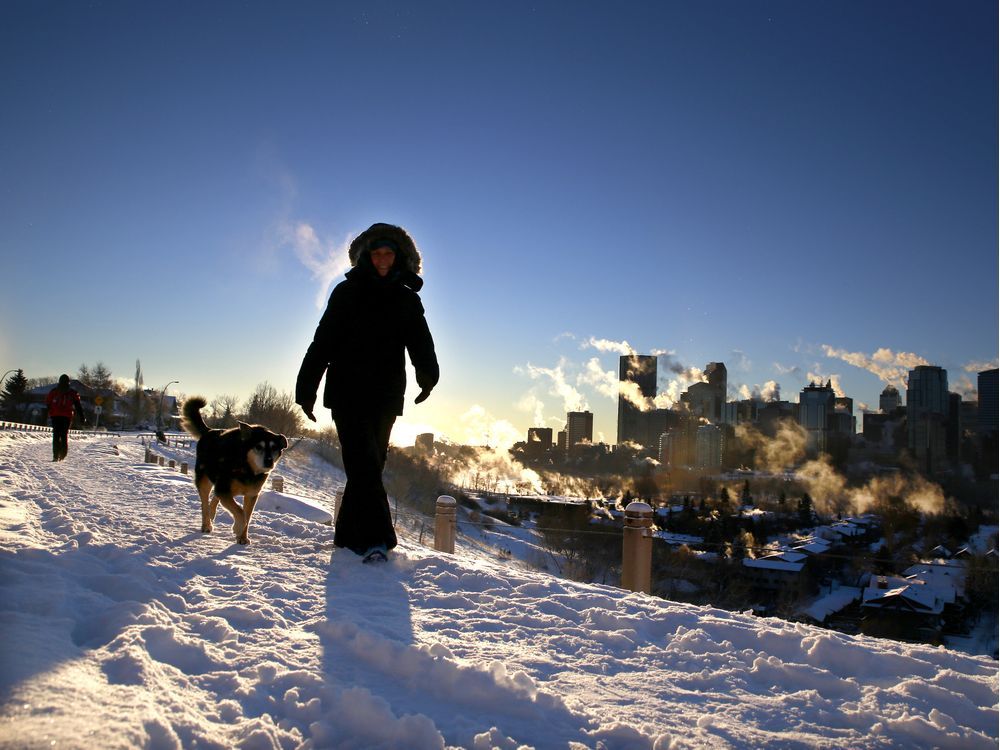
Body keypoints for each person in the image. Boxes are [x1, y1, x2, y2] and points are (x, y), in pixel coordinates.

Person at [296, 223, 439, 562]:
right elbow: (323, 342)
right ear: (366, 256)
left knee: (369, 467)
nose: (382, 260)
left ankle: (346, 537)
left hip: (386, 396)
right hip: (346, 393)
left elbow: (421, 342)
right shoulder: (346, 293)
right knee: (364, 465)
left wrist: (427, 377)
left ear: (400, 256)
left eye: (389, 253)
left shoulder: (406, 299)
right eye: (376, 253)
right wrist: (306, 388)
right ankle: (379, 540)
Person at [46, 374, 86, 461]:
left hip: (55, 416)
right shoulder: (73, 393)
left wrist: (50, 412)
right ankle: (63, 454)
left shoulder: (54, 391)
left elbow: (48, 403)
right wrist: (82, 417)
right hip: (66, 417)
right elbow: (78, 406)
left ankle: (55, 455)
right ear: (68, 382)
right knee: (64, 435)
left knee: (56, 435)